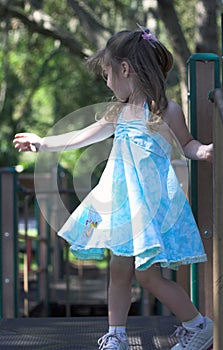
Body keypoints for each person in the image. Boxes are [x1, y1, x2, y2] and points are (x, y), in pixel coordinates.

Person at [13, 25, 213, 350]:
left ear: (125, 69)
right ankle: (116, 335)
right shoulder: (118, 113)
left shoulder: (165, 110)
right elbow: (81, 137)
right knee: (118, 271)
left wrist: (202, 151)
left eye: (107, 73)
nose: (106, 82)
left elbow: (187, 144)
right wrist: (44, 143)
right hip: (121, 206)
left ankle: (198, 325)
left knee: (148, 277)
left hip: (149, 208)